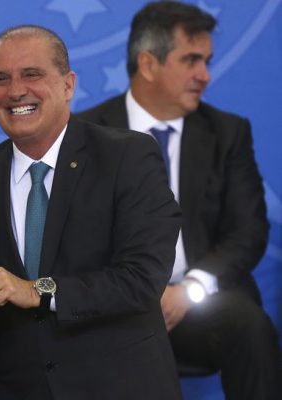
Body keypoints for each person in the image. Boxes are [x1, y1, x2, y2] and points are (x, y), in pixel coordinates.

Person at [0, 25, 182, 399]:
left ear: (68, 85)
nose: (16, 91)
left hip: (119, 388)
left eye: (32, 74)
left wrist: (38, 290)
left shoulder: (128, 157)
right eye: (0, 79)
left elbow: (143, 279)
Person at [77, 2, 282, 398]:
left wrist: (189, 289)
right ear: (148, 64)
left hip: (198, 301)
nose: (205, 75)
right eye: (191, 60)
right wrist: (129, 293)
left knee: (250, 326)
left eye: (206, 61)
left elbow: (248, 231)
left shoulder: (227, 133)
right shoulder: (86, 134)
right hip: (115, 306)